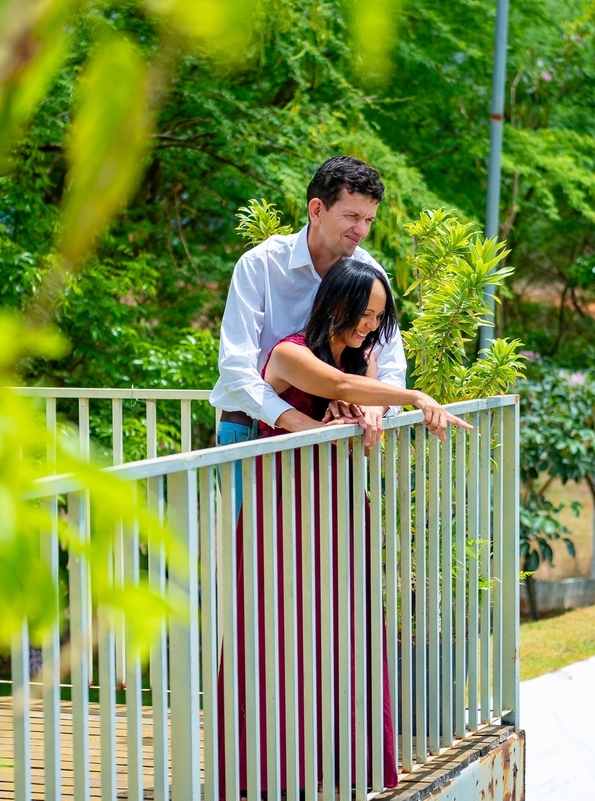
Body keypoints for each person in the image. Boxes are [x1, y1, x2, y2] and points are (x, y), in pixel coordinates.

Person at [216, 258, 469, 797]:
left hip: (337, 500)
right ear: (334, 302)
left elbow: (359, 401)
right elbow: (330, 382)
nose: (369, 326)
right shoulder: (289, 352)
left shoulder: (363, 359)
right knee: (272, 627)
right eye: (364, 313)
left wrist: (366, 410)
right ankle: (260, 769)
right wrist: (417, 397)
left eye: (378, 317)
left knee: (347, 625)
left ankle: (347, 761)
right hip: (279, 502)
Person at [210, 156, 408, 453]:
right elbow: (235, 368)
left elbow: (390, 362)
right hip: (252, 431)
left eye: (369, 220)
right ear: (317, 210)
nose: (362, 231)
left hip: (337, 439)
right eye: (352, 216)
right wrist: (306, 427)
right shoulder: (260, 264)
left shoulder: (370, 275)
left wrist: (374, 408)